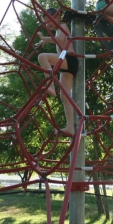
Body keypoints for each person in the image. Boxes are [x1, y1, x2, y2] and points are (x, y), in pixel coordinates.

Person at [36, 8, 76, 136]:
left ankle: (51, 86)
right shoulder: (58, 30)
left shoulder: (62, 26)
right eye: (46, 22)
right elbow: (57, 39)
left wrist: (44, 38)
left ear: (58, 16)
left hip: (70, 59)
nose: (48, 24)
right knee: (64, 96)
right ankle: (71, 127)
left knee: (42, 57)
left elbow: (59, 39)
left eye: (49, 20)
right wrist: (42, 41)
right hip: (65, 64)